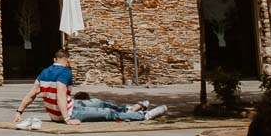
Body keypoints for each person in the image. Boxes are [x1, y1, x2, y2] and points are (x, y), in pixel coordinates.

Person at [11, 49, 167, 127]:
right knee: (107, 113)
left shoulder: (44, 72)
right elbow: (60, 95)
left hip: (62, 109)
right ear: (68, 61)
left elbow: (31, 95)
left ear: (54, 59)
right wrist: (67, 119)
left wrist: (19, 112)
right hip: (67, 112)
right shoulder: (65, 72)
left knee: (98, 102)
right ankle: (143, 116)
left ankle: (129, 109)